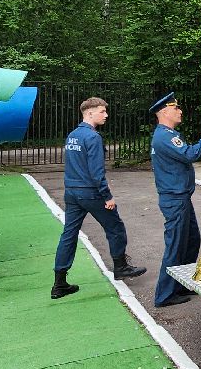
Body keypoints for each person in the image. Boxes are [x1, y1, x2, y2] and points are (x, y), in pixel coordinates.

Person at [51, 96, 147, 300]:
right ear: (89, 113)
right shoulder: (93, 137)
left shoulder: (73, 136)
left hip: (72, 193)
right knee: (115, 227)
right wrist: (107, 196)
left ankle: (59, 283)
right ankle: (121, 266)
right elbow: (96, 173)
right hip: (91, 193)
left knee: (69, 234)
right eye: (102, 111)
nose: (106, 115)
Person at [149, 92, 201, 307]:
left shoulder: (166, 134)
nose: (180, 111)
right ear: (165, 112)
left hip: (179, 198)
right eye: (176, 108)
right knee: (175, 246)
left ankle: (182, 283)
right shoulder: (165, 136)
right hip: (175, 200)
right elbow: (190, 154)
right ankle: (164, 295)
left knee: (191, 240)